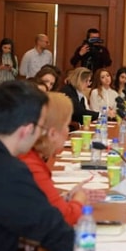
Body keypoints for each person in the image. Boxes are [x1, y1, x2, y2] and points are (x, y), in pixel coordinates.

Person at [0, 80, 75, 251]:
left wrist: (16, 237)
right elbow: (58, 234)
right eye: (40, 128)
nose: (41, 135)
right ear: (27, 130)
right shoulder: (11, 172)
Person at [19, 92, 105, 226]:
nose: (68, 132)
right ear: (53, 133)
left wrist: (65, 198)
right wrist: (79, 199)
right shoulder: (30, 165)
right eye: (66, 125)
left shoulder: (32, 156)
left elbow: (39, 205)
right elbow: (64, 218)